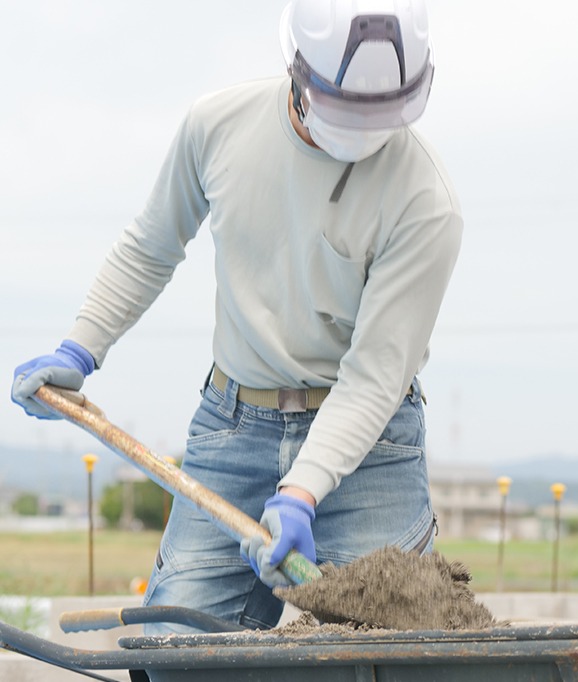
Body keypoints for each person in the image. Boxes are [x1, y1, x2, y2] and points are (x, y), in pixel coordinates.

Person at [10, 0, 461, 633]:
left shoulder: (426, 201)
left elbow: (374, 377)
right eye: (344, 111)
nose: (362, 138)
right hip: (234, 429)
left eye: (378, 117)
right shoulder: (218, 126)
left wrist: (301, 491)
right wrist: (79, 350)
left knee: (391, 651)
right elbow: (150, 246)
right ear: (296, 71)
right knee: (175, 645)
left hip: (370, 447)